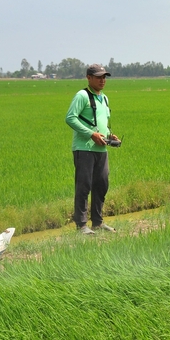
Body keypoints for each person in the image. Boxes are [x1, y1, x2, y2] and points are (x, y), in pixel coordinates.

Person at [65, 64, 119, 235]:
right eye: (98, 77)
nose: (102, 80)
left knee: (102, 184)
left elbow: (102, 124)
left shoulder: (104, 98)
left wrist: (110, 136)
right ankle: (81, 225)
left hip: (101, 150)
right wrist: (91, 134)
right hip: (84, 149)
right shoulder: (82, 96)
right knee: (84, 186)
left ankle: (97, 222)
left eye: (104, 77)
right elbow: (70, 118)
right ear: (88, 78)